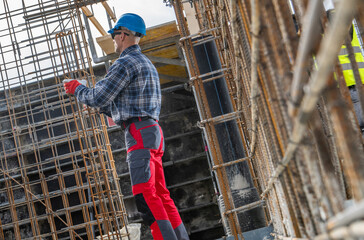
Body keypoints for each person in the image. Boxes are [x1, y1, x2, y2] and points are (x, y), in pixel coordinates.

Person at [63, 13, 189, 240]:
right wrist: (99, 105)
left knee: (144, 195)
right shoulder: (145, 63)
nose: (113, 40)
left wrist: (77, 89)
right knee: (160, 194)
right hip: (152, 131)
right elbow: (124, 106)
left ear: (122, 34)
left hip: (139, 134)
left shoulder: (124, 63)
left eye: (114, 36)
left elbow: (97, 98)